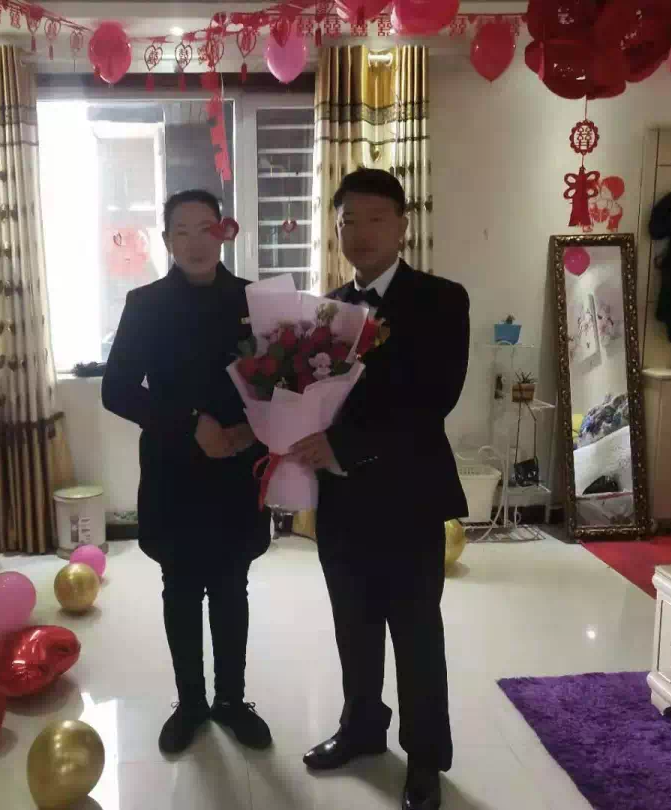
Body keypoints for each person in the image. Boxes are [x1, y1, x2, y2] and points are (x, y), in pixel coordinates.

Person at [291, 169, 470, 810]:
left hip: (409, 496)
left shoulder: (441, 299)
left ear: (401, 226)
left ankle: (424, 757)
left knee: (416, 632)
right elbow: (308, 395)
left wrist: (344, 444)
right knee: (354, 624)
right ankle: (362, 727)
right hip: (342, 501)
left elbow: (434, 397)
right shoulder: (327, 308)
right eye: (348, 222)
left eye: (375, 219)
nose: (361, 233)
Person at [102, 190, 273, 755]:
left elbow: (285, 383)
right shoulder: (146, 304)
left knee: (231, 587)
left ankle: (232, 701)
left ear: (223, 232)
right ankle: (191, 703)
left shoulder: (256, 301)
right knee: (179, 588)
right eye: (182, 230)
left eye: (206, 228)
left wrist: (251, 431)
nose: (196, 242)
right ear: (167, 239)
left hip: (237, 470)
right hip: (174, 470)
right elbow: (117, 390)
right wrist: (190, 422)